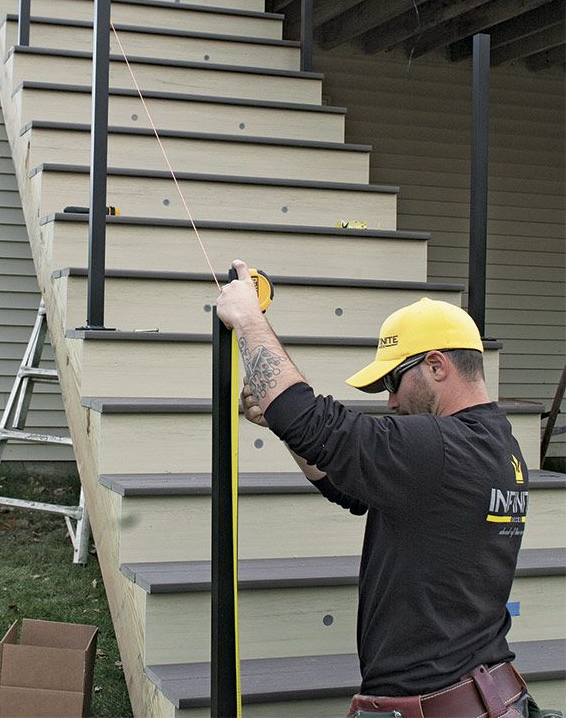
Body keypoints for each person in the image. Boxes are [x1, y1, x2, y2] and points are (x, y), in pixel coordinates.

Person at [216, 261, 533, 718]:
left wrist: (249, 319)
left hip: (442, 706)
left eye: (392, 381)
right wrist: (281, 422)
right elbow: (345, 487)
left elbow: (316, 425)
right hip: (483, 697)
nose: (391, 401)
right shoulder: (496, 444)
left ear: (436, 366)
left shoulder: (441, 446)